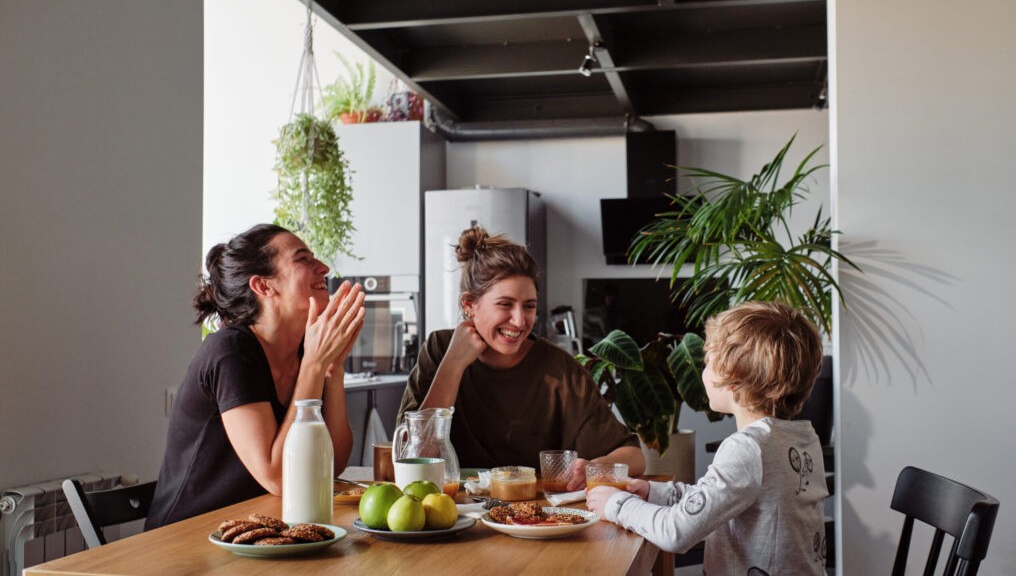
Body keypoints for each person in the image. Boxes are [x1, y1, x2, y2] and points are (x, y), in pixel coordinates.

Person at [146, 224, 365, 528]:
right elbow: (278, 477)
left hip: (259, 530)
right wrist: (315, 365)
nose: (324, 268)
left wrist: (333, 368)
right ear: (263, 286)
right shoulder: (230, 352)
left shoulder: (306, 350)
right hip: (187, 539)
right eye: (303, 259)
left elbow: (330, 466)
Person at [587, 301, 829, 574]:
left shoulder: (748, 448)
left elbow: (676, 533)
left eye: (707, 362)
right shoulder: (802, 438)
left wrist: (616, 505)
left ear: (733, 377)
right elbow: (717, 498)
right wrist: (653, 492)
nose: (703, 372)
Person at [397, 227, 644, 489]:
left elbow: (634, 456)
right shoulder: (438, 350)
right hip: (448, 515)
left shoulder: (559, 369)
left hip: (533, 521)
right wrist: (454, 365)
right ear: (469, 304)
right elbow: (410, 461)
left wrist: (594, 469)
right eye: (505, 304)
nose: (519, 320)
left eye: (529, 306)